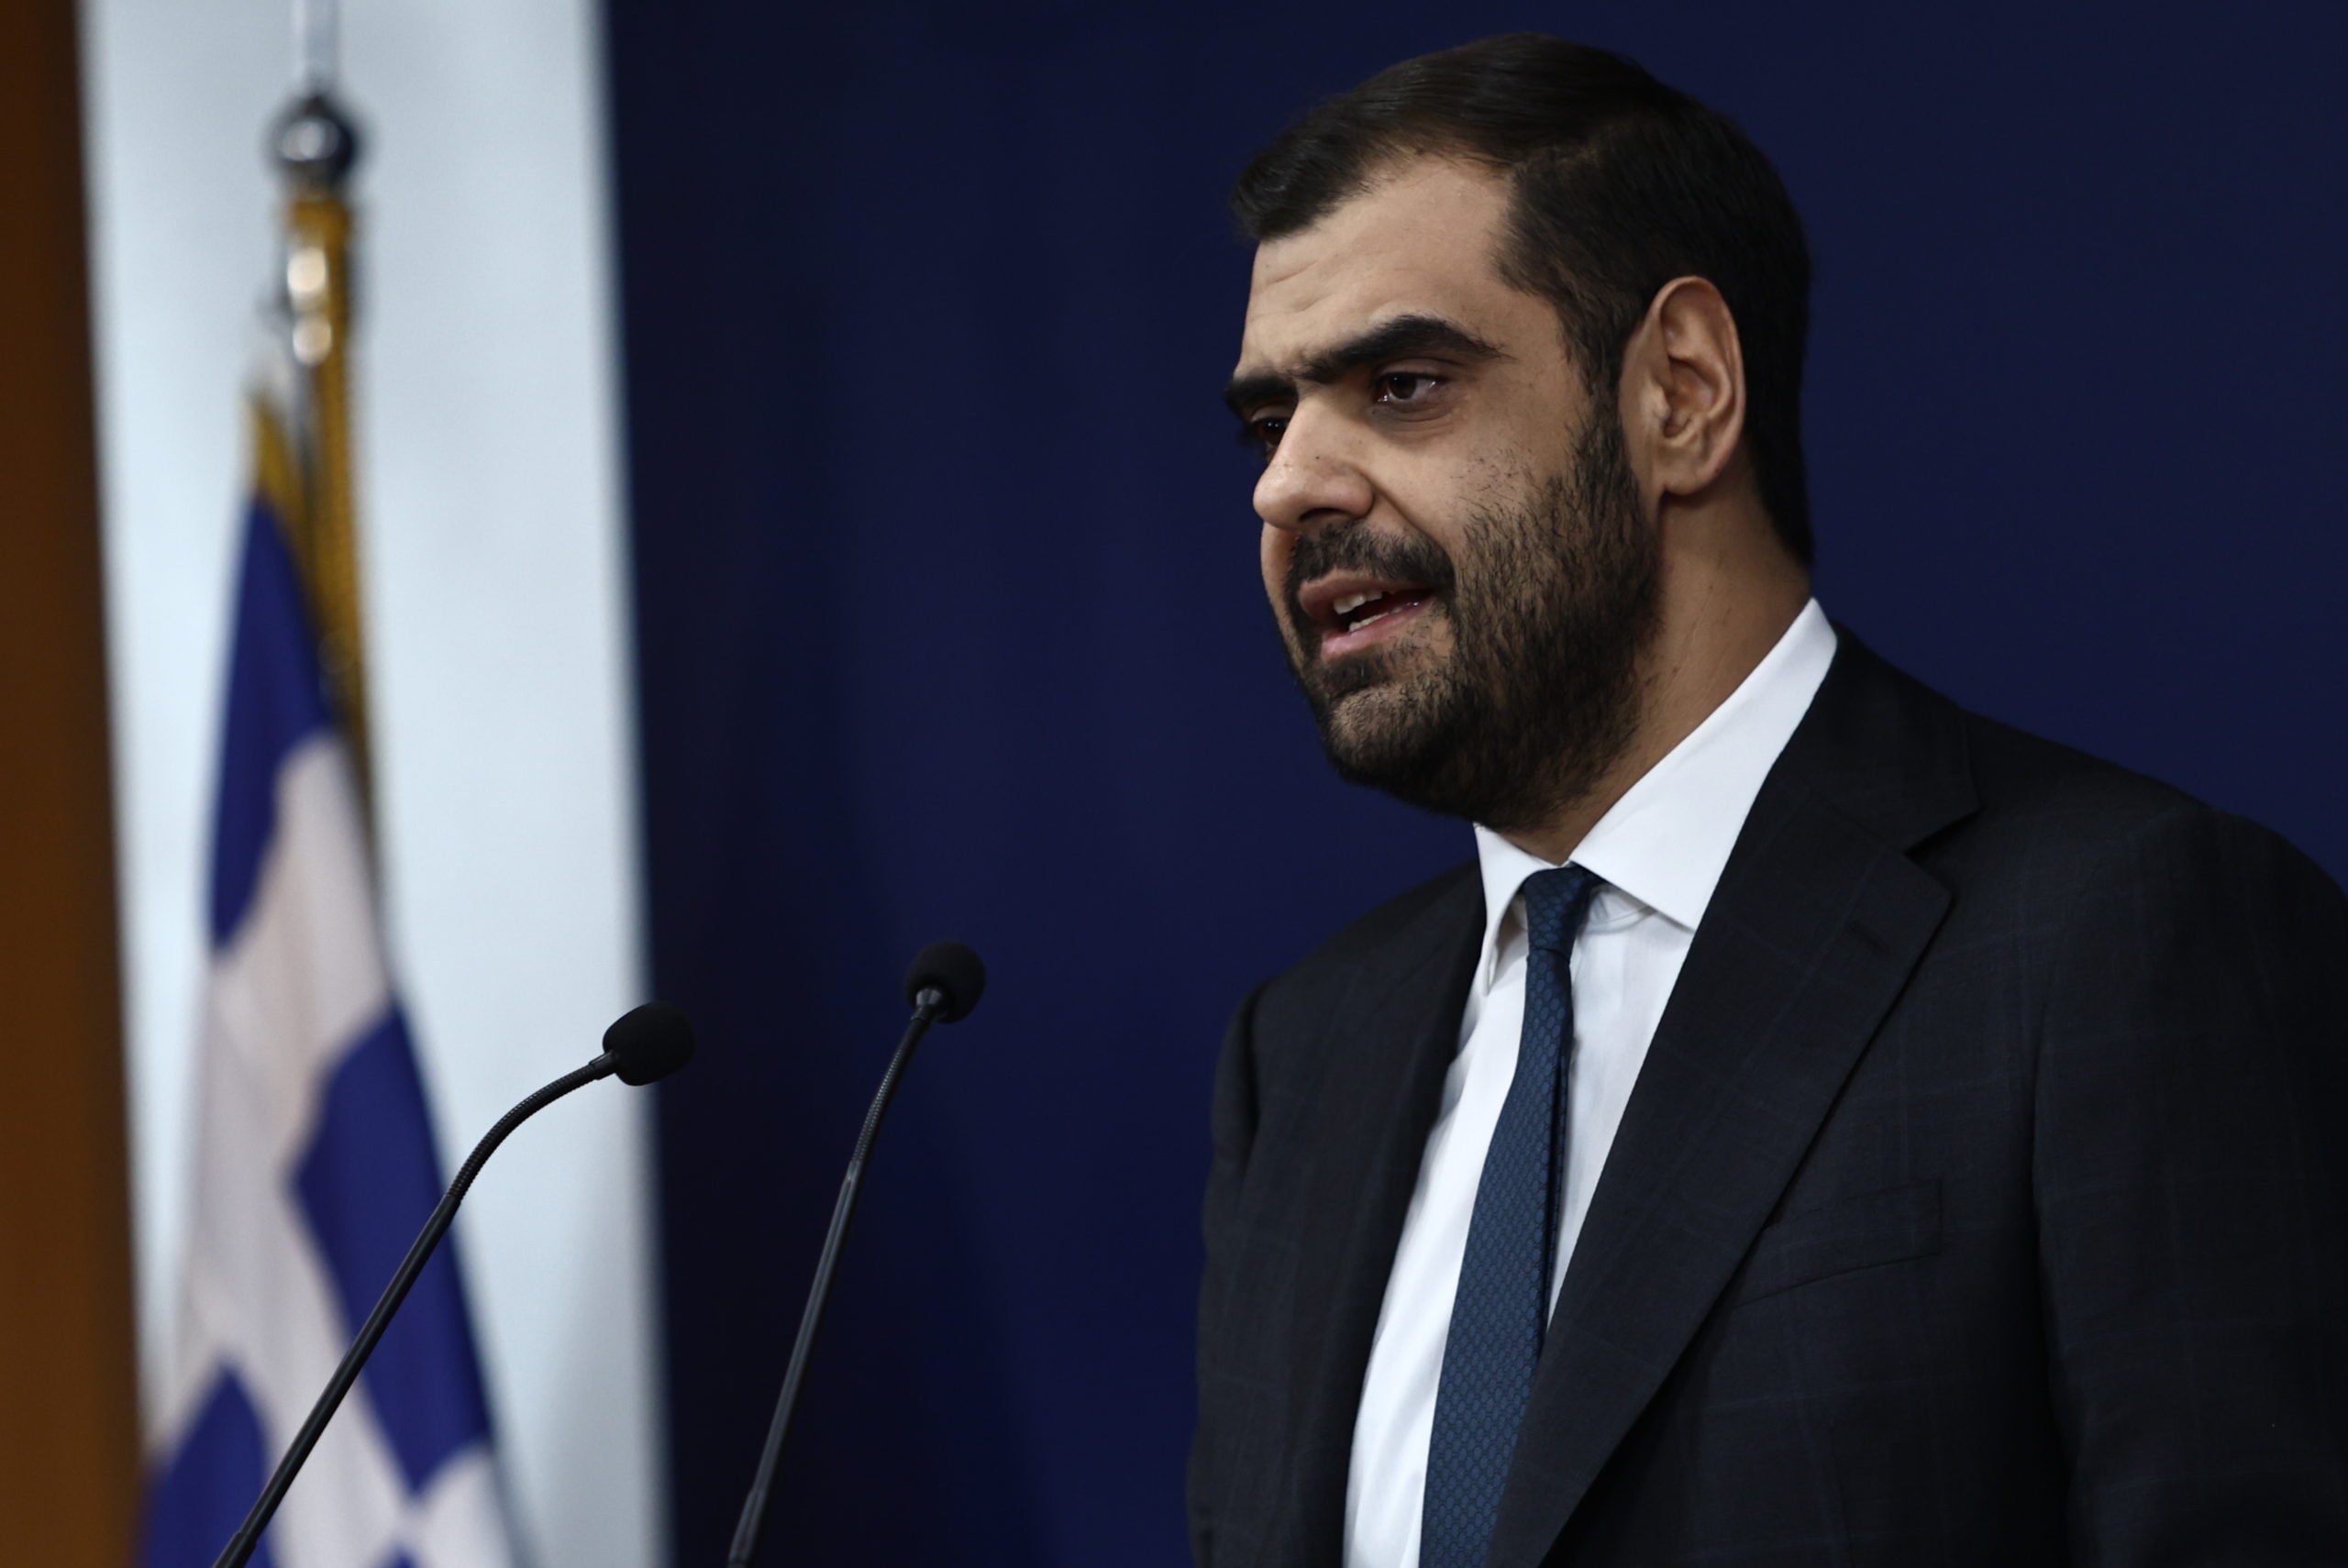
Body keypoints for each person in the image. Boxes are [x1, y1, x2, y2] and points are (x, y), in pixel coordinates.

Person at [1190, 32, 2348, 1568]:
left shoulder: (2121, 937)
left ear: (1681, 391)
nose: (1286, 487)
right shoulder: (1302, 1054)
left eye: (1402, 386)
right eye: (1269, 423)